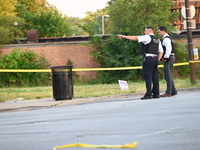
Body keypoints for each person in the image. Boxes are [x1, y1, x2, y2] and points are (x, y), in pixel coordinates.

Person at [118, 26, 164, 100]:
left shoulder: (147, 37)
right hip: (155, 58)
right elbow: (161, 51)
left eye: (145, 31)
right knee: (155, 77)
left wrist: (124, 37)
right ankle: (156, 93)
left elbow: (136, 38)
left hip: (148, 58)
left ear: (149, 31)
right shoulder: (157, 39)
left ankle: (148, 94)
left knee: (147, 76)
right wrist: (157, 59)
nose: (144, 32)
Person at [158, 26, 177, 97]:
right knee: (169, 75)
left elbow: (168, 48)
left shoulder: (166, 39)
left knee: (167, 75)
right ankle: (173, 90)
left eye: (159, 32)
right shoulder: (169, 38)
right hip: (171, 57)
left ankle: (168, 92)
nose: (159, 33)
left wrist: (165, 57)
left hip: (169, 57)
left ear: (163, 31)